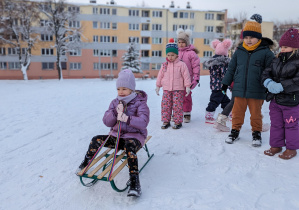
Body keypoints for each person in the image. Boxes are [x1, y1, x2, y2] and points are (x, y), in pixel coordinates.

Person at [76, 69, 150, 197]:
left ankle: (134, 183)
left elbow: (143, 122)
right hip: (117, 136)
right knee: (96, 139)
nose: (121, 92)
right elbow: (107, 122)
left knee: (129, 148)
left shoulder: (140, 103)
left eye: (124, 89)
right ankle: (86, 163)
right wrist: (115, 113)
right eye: (118, 89)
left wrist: (127, 118)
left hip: (134, 137)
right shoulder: (115, 102)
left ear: (132, 89)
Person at [221, 14, 275, 146]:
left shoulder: (266, 53)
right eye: (246, 37)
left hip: (257, 90)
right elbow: (231, 68)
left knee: (256, 115)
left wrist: (270, 86)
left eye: (252, 37)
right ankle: (235, 131)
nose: (248, 40)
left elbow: (272, 71)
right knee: (237, 113)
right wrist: (225, 83)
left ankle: (256, 133)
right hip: (239, 89)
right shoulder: (239, 51)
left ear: (259, 37)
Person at [261, 28, 299, 159]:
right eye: (282, 46)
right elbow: (266, 72)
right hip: (275, 101)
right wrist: (267, 82)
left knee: (291, 125)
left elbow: (297, 81)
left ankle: (291, 148)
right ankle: (276, 145)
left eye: (286, 46)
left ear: (295, 48)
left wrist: (282, 86)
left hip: (291, 102)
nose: (282, 49)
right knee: (276, 124)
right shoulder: (276, 60)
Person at [156, 38, 191, 129]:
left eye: (172, 55)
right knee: (165, 105)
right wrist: (158, 86)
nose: (170, 57)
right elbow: (160, 76)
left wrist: (187, 86)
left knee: (177, 106)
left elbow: (186, 76)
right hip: (166, 89)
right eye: (168, 55)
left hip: (178, 89)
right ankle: (166, 121)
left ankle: (178, 122)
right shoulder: (164, 65)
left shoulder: (181, 64)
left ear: (176, 55)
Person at [203, 39, 233, 124]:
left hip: (214, 85)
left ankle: (229, 113)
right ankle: (209, 115)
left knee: (225, 100)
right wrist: (229, 84)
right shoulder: (223, 63)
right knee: (215, 100)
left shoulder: (212, 62)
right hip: (221, 85)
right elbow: (225, 75)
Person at [176, 28, 200, 123]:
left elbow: (196, 67)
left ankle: (186, 113)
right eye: (179, 42)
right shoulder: (175, 52)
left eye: (183, 42)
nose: (181, 44)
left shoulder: (191, 53)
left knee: (186, 97)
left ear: (187, 42)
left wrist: (196, 79)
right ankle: (177, 112)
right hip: (176, 80)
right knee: (176, 97)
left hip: (188, 80)